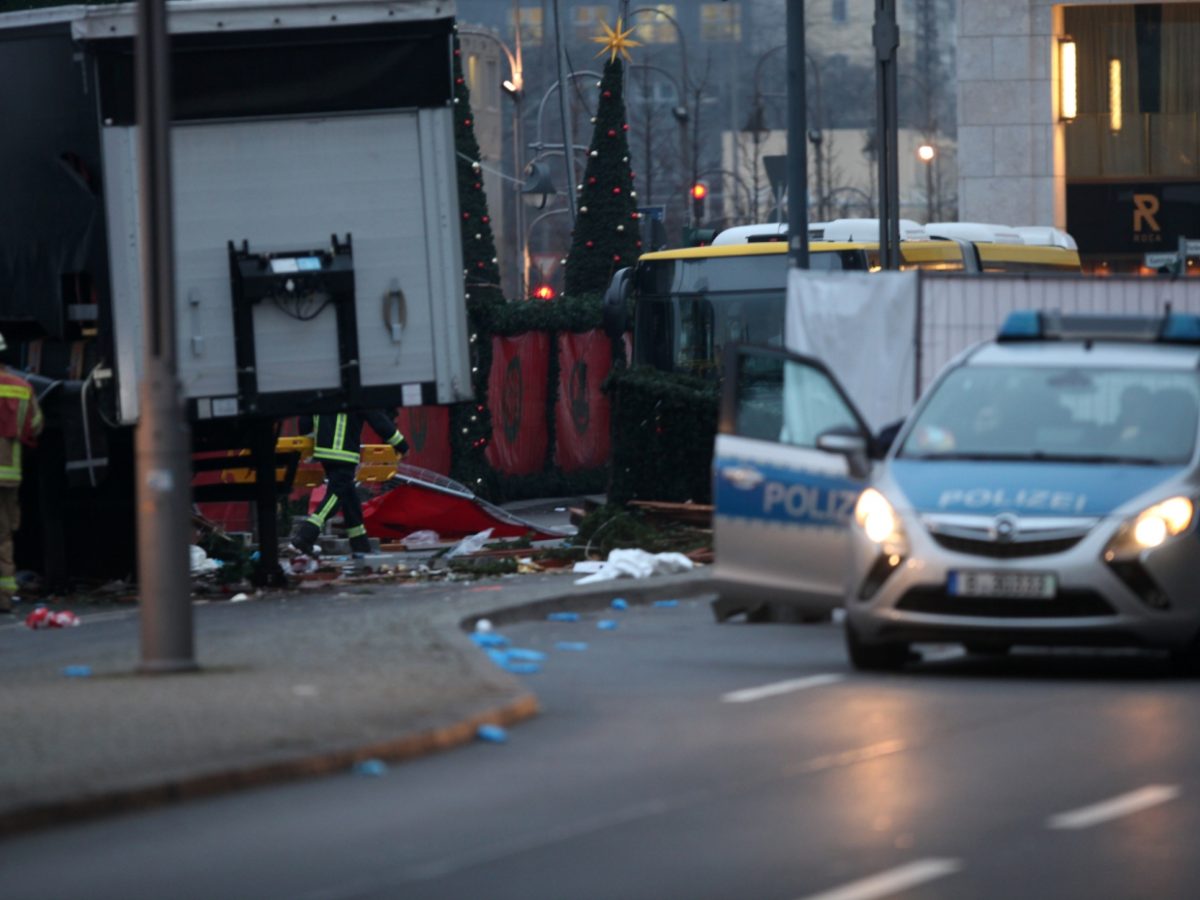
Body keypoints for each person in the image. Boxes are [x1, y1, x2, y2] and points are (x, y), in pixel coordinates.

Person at [289, 408, 409, 557]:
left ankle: (360, 544)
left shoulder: (321, 388)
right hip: (344, 453)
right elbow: (378, 419)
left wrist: (308, 440)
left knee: (349, 496)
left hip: (323, 451)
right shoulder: (355, 390)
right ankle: (306, 535)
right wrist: (401, 444)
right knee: (337, 494)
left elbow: (305, 417)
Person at [0, 333, 43, 612]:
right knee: (3, 537)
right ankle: (3, 598)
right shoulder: (21, 387)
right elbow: (36, 425)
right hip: (9, 476)